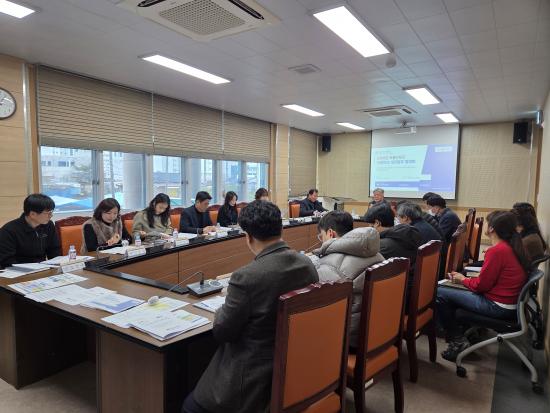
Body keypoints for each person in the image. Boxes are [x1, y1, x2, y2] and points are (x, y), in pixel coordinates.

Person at [183, 201, 318, 413]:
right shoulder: (306, 265)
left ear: (248, 237)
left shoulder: (246, 277)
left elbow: (223, 332)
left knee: (189, 406)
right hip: (295, 366)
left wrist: (221, 309)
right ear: (281, 229)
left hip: (252, 380)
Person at [436, 211, 530, 361]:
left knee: (439, 291)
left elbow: (481, 286)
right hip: (509, 304)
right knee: (449, 291)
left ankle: (457, 340)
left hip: (497, 307)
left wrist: (463, 280)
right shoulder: (511, 247)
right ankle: (466, 332)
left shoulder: (498, 251)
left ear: (491, 228)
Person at [313, 210, 384, 348]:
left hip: (350, 341)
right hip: (379, 329)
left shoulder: (330, 267)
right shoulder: (378, 255)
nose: (321, 241)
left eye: (321, 236)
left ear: (330, 233)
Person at [0, 194, 61, 268]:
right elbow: (6, 261)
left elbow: (54, 250)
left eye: (51, 212)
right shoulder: (9, 231)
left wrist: (56, 265)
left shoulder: (48, 225)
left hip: (43, 268)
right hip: (19, 271)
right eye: (47, 213)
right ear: (32, 214)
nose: (51, 215)